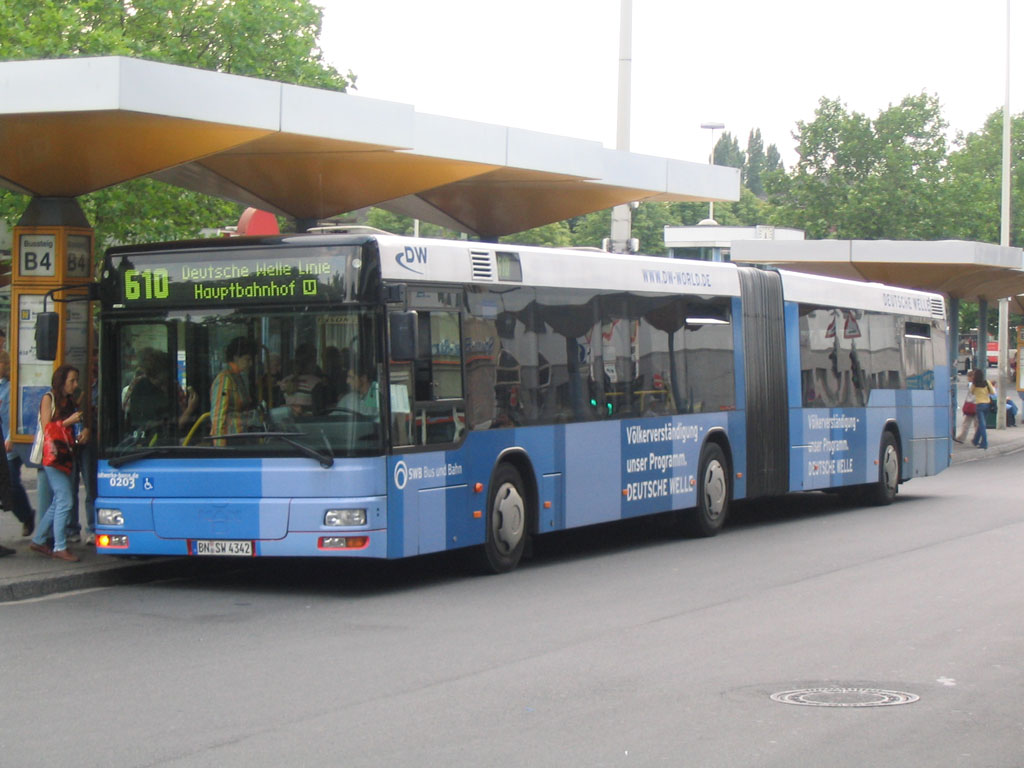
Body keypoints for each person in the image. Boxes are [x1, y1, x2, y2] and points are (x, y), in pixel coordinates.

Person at [29, 365, 84, 562]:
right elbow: (48, 428)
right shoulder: (48, 398)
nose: (75, 385)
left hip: (64, 455)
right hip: (52, 455)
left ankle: (39, 538)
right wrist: (69, 422)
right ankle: (59, 545)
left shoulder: (68, 400)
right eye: (72, 381)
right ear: (62, 382)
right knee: (65, 499)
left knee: (59, 500)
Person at [0, 352, 34, 537]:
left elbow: (16, 413)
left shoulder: (11, 388)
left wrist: (11, 437)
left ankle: (26, 515)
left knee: (10, 483)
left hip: (8, 443)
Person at [210, 336, 257, 443]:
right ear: (236, 357)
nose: (251, 364)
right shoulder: (224, 379)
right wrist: (220, 448)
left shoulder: (238, 377)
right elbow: (218, 418)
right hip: (231, 440)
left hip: (241, 436)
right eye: (247, 359)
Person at [971, 367, 994, 450]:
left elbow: (971, 392)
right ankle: (975, 440)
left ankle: (984, 443)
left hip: (979, 405)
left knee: (982, 425)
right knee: (982, 424)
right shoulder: (987, 382)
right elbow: (993, 392)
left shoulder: (974, 384)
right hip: (987, 405)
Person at [954, 370, 979, 444]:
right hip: (977, 405)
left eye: (968, 377)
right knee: (977, 423)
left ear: (971, 377)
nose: (967, 379)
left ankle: (962, 438)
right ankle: (977, 438)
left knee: (966, 423)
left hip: (971, 405)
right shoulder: (980, 383)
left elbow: (970, 396)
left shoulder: (972, 385)